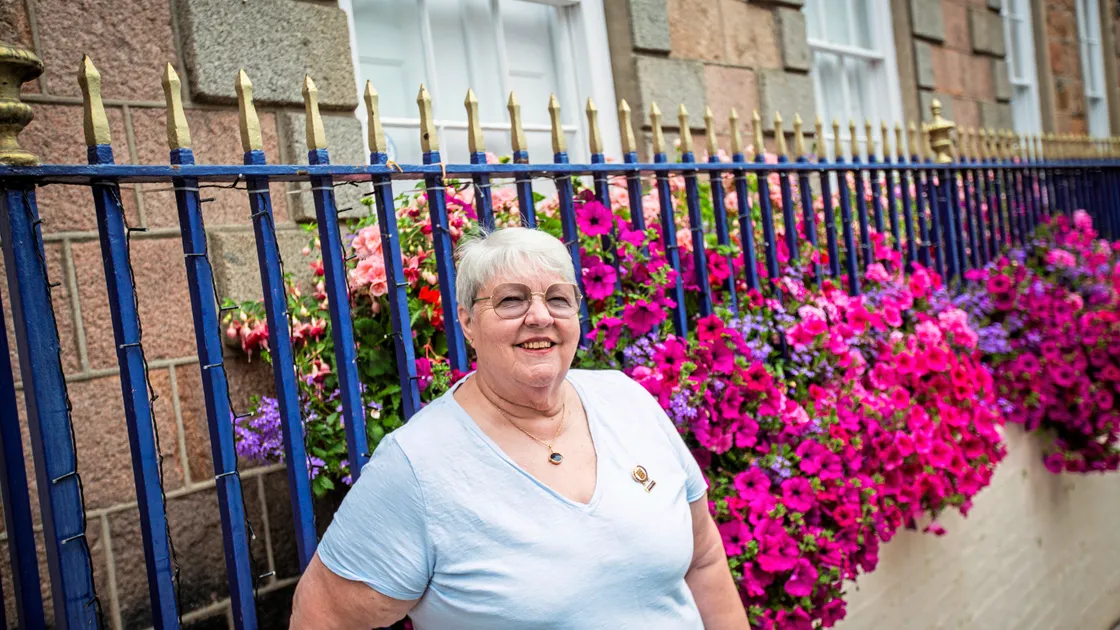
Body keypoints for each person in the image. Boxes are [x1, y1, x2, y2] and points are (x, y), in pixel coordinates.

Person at [290, 227, 748, 629]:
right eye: (511, 299)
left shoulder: (627, 400)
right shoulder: (417, 465)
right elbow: (321, 617)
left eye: (557, 298)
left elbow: (704, 558)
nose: (540, 316)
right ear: (467, 322)